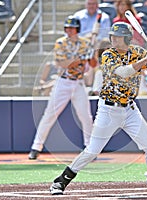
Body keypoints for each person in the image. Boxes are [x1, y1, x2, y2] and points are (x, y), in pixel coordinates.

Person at [49, 22, 147, 195]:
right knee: (92, 151)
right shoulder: (108, 54)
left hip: (130, 110)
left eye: (117, 36)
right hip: (108, 110)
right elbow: (124, 72)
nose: (113, 39)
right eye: (112, 36)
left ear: (127, 38)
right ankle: (60, 181)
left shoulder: (138, 52)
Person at [28, 16, 98, 160]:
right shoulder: (60, 42)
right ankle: (36, 147)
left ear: (77, 29)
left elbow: (92, 65)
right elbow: (63, 63)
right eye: (67, 28)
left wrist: (91, 55)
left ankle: (89, 148)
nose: (69, 31)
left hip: (78, 83)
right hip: (63, 82)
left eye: (72, 28)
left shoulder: (85, 44)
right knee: (49, 114)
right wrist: (80, 58)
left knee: (86, 116)